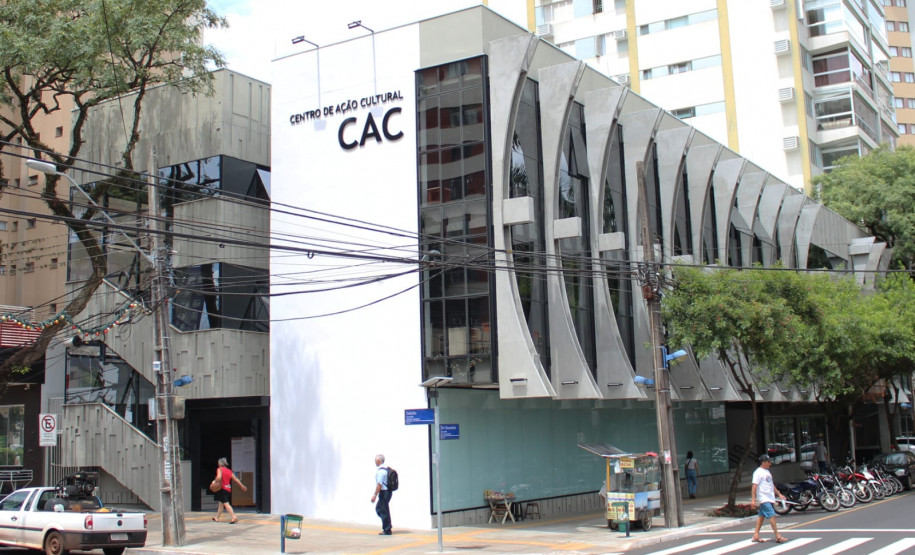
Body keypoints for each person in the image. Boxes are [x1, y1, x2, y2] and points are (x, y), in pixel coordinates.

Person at [751, 454, 787, 544]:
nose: (770, 463)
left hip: (769, 497)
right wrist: (753, 500)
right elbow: (754, 486)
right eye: (768, 462)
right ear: (764, 462)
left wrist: (779, 494)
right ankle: (777, 536)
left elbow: (771, 485)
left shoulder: (767, 472)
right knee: (772, 516)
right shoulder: (758, 472)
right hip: (764, 498)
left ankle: (756, 535)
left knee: (761, 516)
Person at [212, 457, 247, 524]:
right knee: (220, 504)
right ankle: (217, 518)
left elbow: (219, 477)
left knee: (226, 504)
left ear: (219, 464)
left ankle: (234, 517)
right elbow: (236, 479)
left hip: (222, 489)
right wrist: (242, 486)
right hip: (228, 488)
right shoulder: (229, 471)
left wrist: (214, 482)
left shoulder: (219, 469)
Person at [371, 454, 393, 535]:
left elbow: (379, 484)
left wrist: (374, 495)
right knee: (381, 509)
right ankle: (388, 524)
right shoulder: (386, 469)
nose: (375, 462)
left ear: (378, 461)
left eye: (375, 460)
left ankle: (387, 529)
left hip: (384, 492)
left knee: (382, 510)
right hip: (388, 492)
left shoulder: (381, 471)